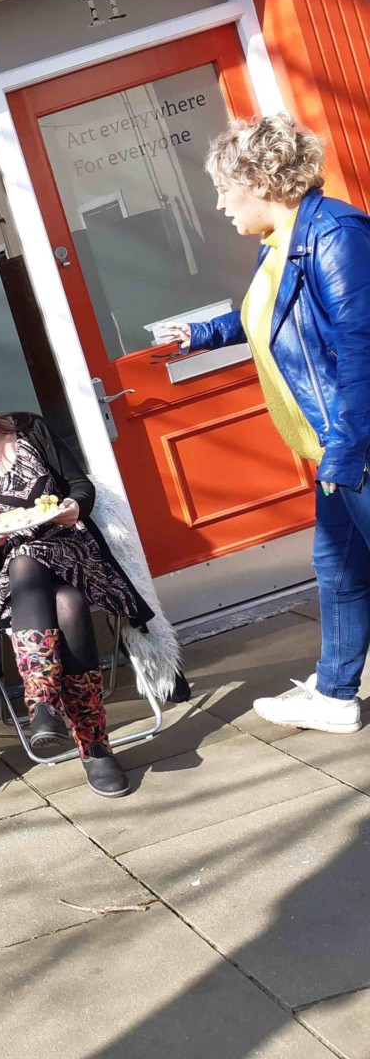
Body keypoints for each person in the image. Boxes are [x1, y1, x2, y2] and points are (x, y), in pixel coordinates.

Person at [165, 114, 370, 734]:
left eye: (225, 188)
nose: (220, 203)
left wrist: (349, 448)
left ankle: (334, 693)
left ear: (260, 179)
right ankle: (335, 695)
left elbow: (362, 347)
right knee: (338, 566)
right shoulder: (285, 243)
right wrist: (205, 334)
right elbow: (274, 315)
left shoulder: (335, 233)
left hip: (355, 441)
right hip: (339, 441)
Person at [0, 379, 158, 797]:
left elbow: (79, 484)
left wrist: (74, 507)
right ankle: (96, 747)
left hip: (75, 551)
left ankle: (42, 704)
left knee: (33, 562)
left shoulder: (28, 429)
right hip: (10, 575)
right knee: (68, 604)